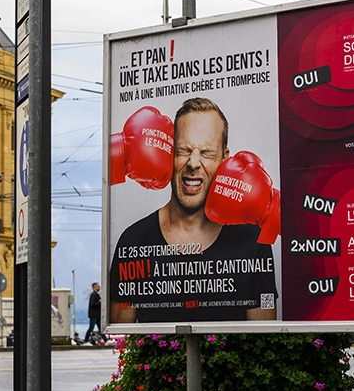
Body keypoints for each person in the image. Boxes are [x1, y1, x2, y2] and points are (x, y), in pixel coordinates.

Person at [110, 97, 277, 323]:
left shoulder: (253, 242)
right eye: (183, 150)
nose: (193, 163)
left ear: (224, 160)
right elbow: (123, 343)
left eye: (207, 153)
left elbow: (263, 340)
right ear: (168, 153)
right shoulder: (133, 243)